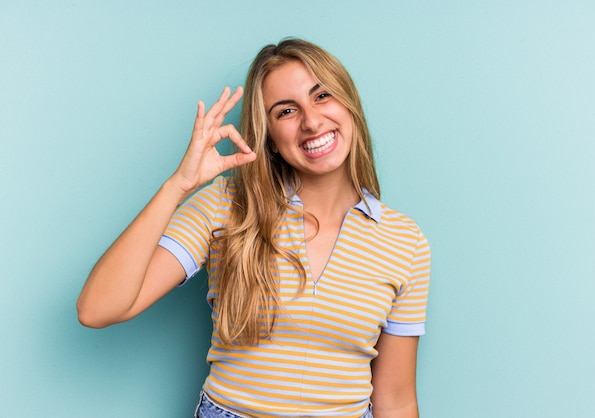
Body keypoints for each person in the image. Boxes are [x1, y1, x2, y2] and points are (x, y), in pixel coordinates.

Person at [77, 38, 431, 418]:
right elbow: (97, 309)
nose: (311, 121)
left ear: (350, 105)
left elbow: (395, 401)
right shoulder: (227, 204)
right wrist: (178, 185)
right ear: (271, 140)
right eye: (286, 111)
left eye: (322, 95)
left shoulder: (405, 242)